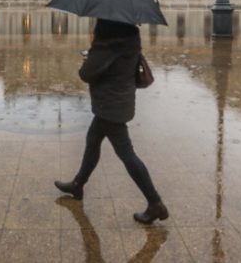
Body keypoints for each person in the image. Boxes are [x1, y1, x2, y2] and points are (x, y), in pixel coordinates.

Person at [55, 19, 168, 224]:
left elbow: (86, 74)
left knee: (126, 153)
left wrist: (90, 56)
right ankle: (78, 184)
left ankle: (155, 203)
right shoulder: (130, 38)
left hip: (109, 105)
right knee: (93, 140)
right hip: (121, 99)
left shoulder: (107, 45)